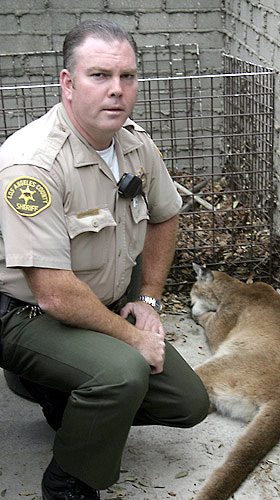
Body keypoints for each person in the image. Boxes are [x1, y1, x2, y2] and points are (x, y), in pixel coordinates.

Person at [0, 19, 209, 500]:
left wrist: (149, 301)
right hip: (27, 314)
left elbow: (164, 216)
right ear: (68, 84)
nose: (117, 91)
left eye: (128, 77)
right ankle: (70, 481)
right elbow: (52, 292)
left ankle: (65, 394)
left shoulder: (135, 143)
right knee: (122, 372)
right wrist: (132, 338)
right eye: (99, 76)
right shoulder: (33, 165)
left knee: (188, 403)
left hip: (103, 300)